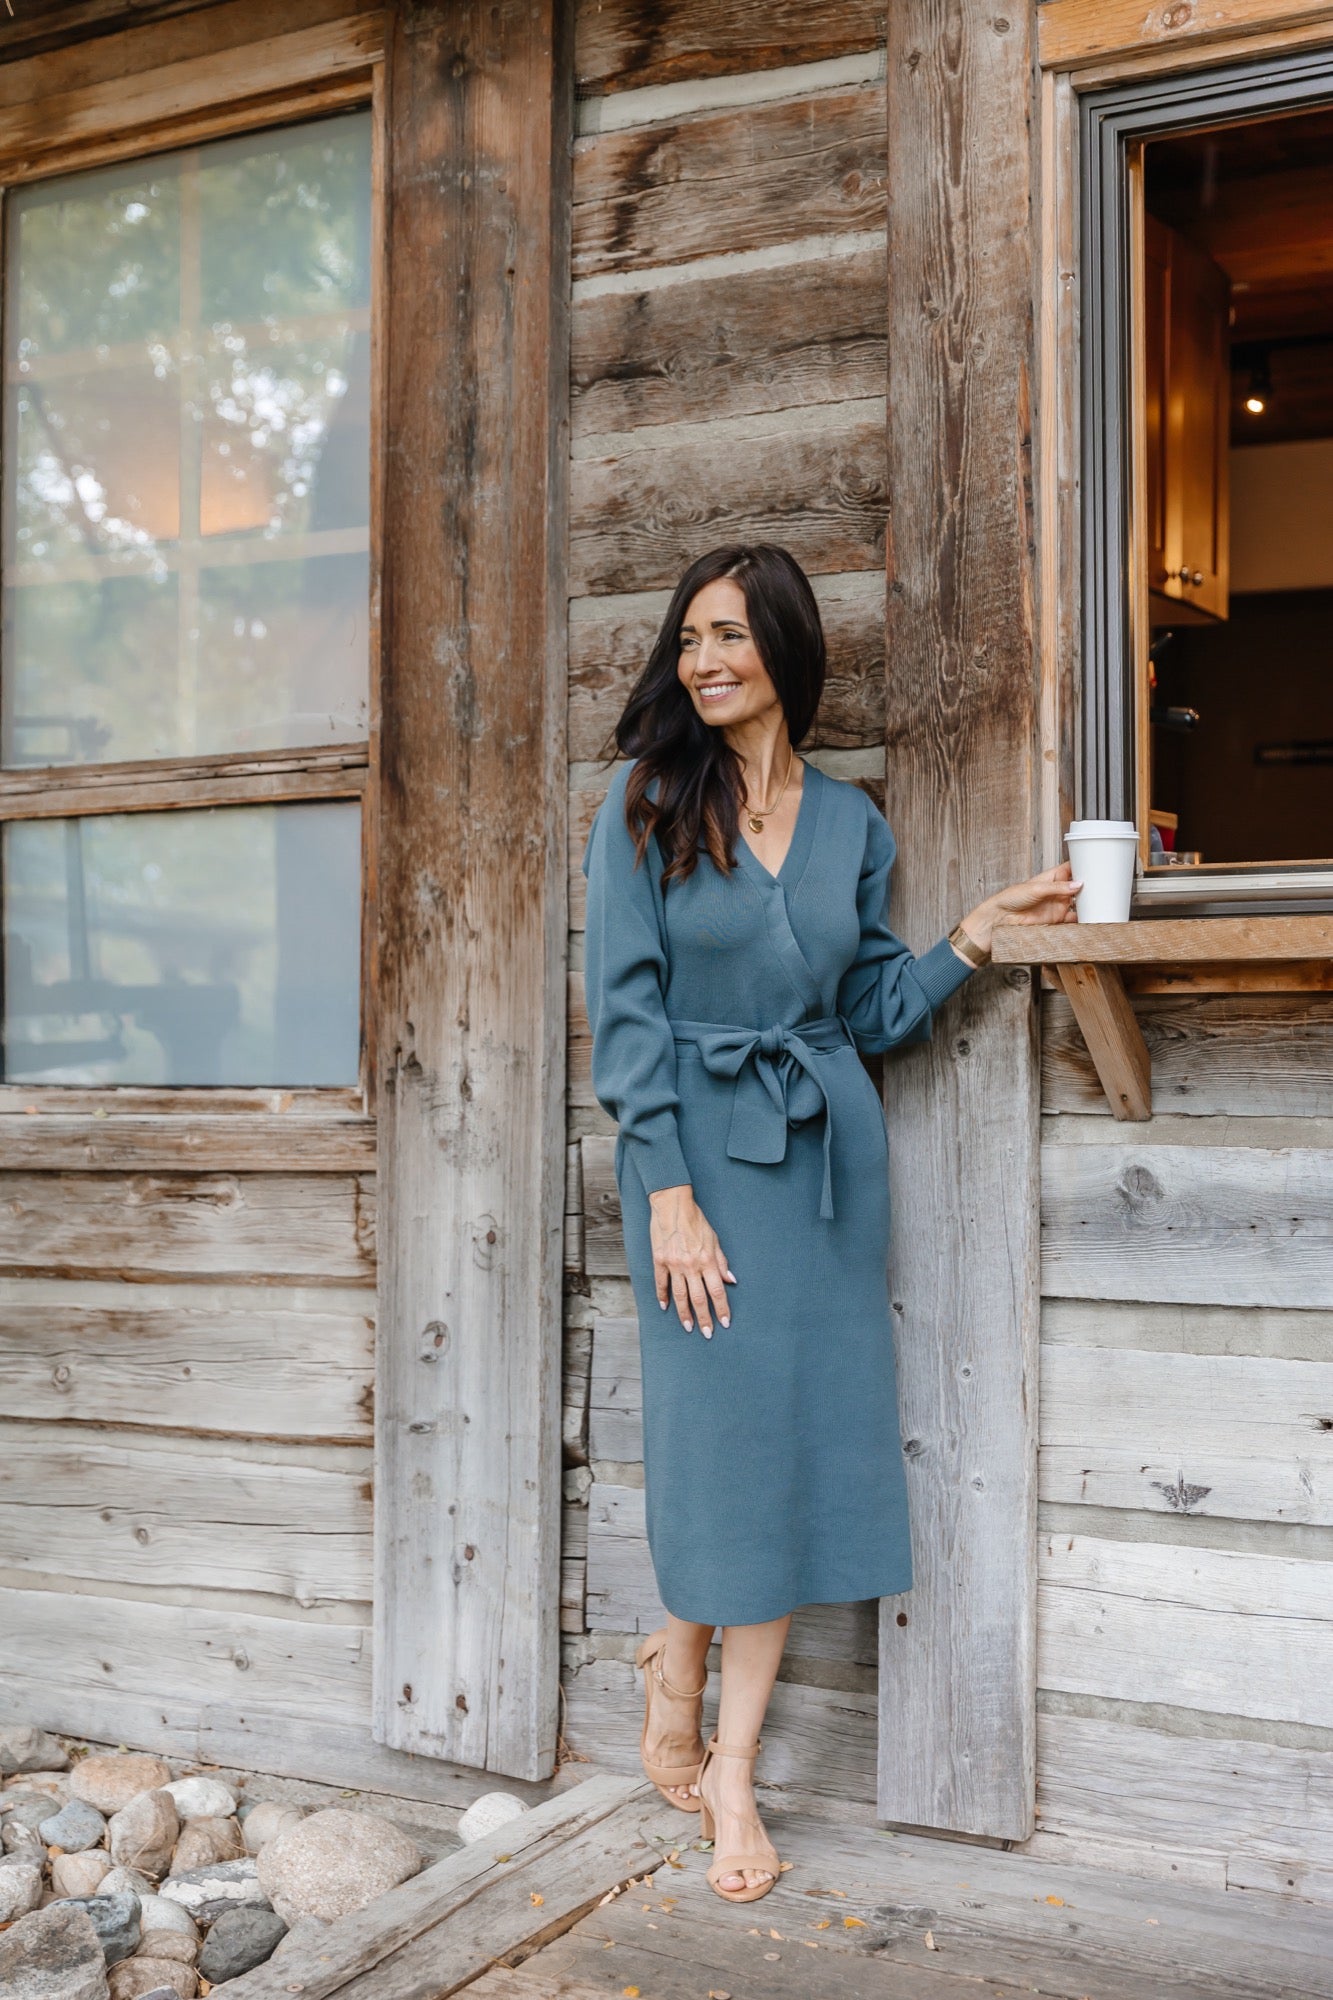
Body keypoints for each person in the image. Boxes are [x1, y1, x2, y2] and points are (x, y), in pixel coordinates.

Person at [580, 545, 1079, 1905]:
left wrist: (969, 936)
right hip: (693, 1160)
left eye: (730, 634)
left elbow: (859, 1017)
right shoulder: (642, 803)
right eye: (689, 638)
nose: (703, 661)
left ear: (783, 650)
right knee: (719, 1439)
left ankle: (729, 1764)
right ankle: (672, 1654)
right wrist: (666, 1194)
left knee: (792, 1452)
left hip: (822, 1172)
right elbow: (624, 1023)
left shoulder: (853, 827)